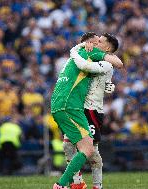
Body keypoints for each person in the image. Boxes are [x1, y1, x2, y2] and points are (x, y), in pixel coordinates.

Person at [51, 32, 121, 189]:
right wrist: (77, 49)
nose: (96, 44)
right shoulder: (87, 54)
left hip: (92, 110)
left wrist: (74, 50)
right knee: (71, 146)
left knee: (92, 151)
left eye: (100, 41)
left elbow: (113, 69)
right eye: (95, 41)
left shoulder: (97, 59)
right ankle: (76, 183)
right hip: (77, 106)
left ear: (107, 47)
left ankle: (95, 185)